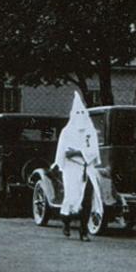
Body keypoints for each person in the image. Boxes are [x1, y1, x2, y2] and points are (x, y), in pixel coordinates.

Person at [54, 92, 103, 242]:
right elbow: (64, 152)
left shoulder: (90, 131)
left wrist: (78, 152)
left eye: (83, 112)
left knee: (87, 199)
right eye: (78, 113)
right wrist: (71, 155)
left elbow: (94, 151)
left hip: (87, 169)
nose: (81, 115)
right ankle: (66, 223)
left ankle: (83, 231)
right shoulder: (67, 131)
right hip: (71, 169)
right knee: (71, 197)